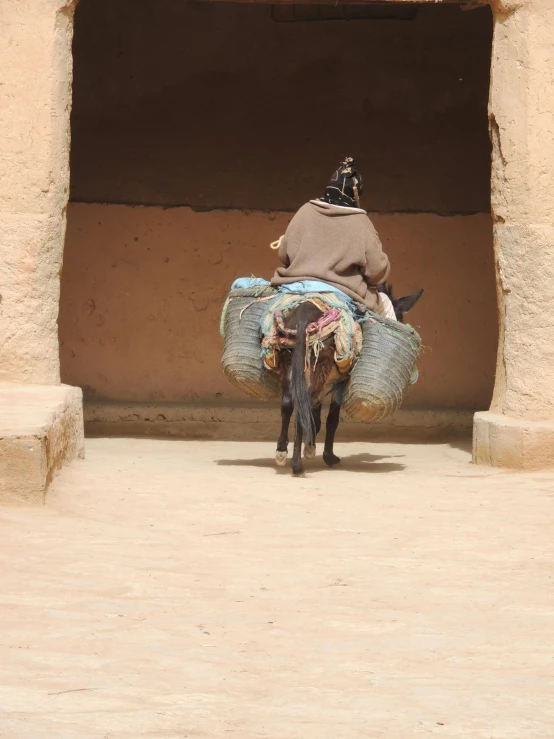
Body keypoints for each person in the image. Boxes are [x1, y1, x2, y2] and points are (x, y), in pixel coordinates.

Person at [271, 157, 396, 319]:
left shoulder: (304, 211)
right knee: (386, 303)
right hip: (344, 294)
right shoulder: (361, 223)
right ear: (356, 194)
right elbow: (376, 272)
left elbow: (283, 255)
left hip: (295, 288)